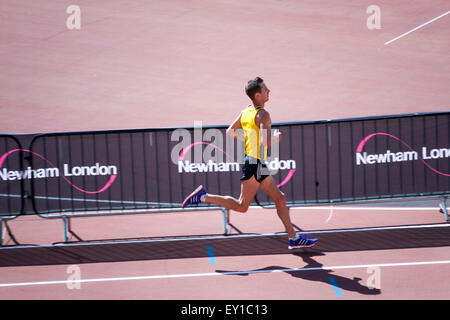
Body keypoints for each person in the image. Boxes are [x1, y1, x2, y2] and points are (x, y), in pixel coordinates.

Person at [182, 77, 317, 249]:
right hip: (256, 163)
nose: (269, 91)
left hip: (252, 161)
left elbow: (231, 131)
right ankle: (293, 237)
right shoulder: (263, 115)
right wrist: (275, 138)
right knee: (274, 199)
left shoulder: (246, 112)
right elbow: (265, 143)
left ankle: (203, 196)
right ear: (258, 95)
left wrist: (251, 138)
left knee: (252, 204)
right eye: (266, 89)